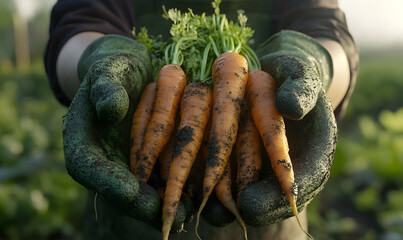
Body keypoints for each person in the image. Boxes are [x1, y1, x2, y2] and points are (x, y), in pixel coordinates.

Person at [44, 0, 359, 239]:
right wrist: (99, 61)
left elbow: (326, 30)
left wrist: (314, 67)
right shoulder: (173, 80)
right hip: (125, 203)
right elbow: (78, 21)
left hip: (267, 199)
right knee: (145, 177)